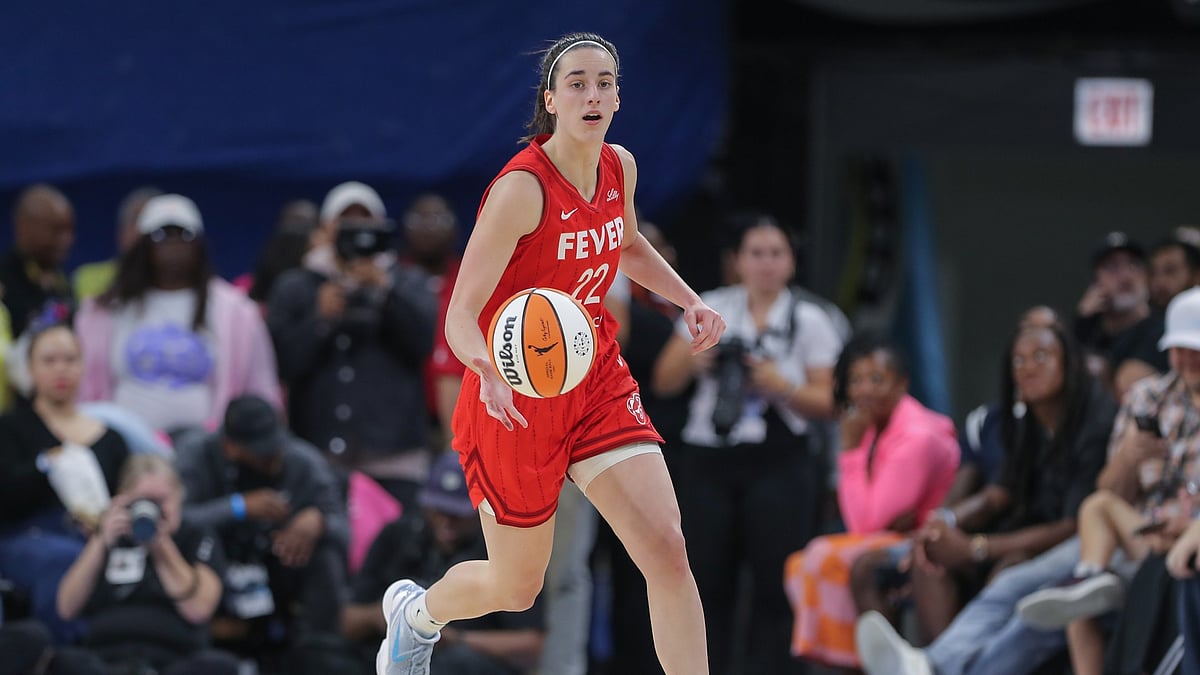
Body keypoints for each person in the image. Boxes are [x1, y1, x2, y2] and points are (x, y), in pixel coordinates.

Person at [375, 33, 725, 675]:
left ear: (618, 97)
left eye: (604, 83)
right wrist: (485, 369)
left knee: (668, 554)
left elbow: (624, 241)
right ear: (551, 100)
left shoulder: (620, 165)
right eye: (577, 83)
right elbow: (457, 315)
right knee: (516, 588)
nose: (592, 94)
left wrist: (688, 301)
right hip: (513, 393)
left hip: (594, 379)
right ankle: (417, 617)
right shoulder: (522, 191)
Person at [855, 318, 1119, 675]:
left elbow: (1073, 524)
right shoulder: (1024, 423)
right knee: (914, 558)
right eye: (1019, 360)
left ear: (1068, 363)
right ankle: (928, 662)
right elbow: (998, 494)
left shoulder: (1095, 422)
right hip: (1012, 536)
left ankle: (932, 664)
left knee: (1016, 579)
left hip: (1075, 546)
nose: (1028, 369)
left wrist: (977, 547)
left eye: (1041, 356)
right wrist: (945, 522)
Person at [653, 213, 842, 674]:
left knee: (775, 586)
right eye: (755, 254)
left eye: (776, 254)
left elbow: (833, 401)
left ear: (792, 262)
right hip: (709, 458)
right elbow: (662, 381)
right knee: (704, 582)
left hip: (779, 462)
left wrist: (781, 384)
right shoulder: (710, 306)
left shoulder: (812, 319)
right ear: (736, 261)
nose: (765, 264)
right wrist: (701, 361)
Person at [785, 335, 959, 669]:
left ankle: (855, 662)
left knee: (823, 557)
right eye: (856, 380)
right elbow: (870, 520)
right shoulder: (870, 424)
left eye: (876, 379)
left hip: (924, 541)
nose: (864, 390)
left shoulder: (917, 436)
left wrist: (849, 450)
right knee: (800, 562)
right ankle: (860, 660)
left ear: (902, 383)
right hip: (891, 536)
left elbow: (863, 525)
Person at [266, 191, 437, 507]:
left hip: (394, 454)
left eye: (366, 221)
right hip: (319, 453)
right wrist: (319, 320)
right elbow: (283, 364)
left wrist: (385, 293)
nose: (357, 231)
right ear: (327, 228)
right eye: (346, 222)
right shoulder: (297, 285)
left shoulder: (408, 281)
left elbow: (422, 345)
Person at [74, 193, 283, 436]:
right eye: (161, 235)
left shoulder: (236, 313)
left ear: (200, 244)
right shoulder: (105, 311)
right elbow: (81, 388)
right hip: (123, 444)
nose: (173, 245)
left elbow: (262, 389)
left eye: (184, 235)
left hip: (209, 452)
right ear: (143, 245)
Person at [175, 395, 349, 664]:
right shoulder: (197, 453)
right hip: (219, 571)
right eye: (263, 451)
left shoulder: (301, 459)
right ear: (231, 447)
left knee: (326, 555)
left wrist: (318, 520)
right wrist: (239, 507)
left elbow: (344, 529)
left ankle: (318, 656)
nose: (275, 456)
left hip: (279, 568)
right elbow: (178, 521)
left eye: (276, 444)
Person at [345, 452, 545, 674]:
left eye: (456, 513)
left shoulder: (498, 546)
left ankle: (419, 632)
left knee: (457, 661)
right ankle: (409, 627)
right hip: (388, 643)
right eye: (439, 509)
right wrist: (382, 618)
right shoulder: (399, 534)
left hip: (468, 658)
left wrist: (456, 639)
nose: (446, 521)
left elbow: (533, 644)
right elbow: (346, 618)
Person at [0, 322, 130, 644]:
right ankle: (60, 653)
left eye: (70, 359)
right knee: (64, 558)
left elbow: (127, 493)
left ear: (84, 365)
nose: (61, 369)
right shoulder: (10, 428)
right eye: (49, 360)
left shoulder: (111, 437)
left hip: (101, 536)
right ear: (30, 368)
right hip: (27, 537)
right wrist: (49, 466)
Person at [55, 454, 238, 675]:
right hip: (106, 659)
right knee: (63, 660)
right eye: (143, 500)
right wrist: (100, 541)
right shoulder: (110, 537)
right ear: (123, 499)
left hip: (173, 659)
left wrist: (161, 547)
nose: (152, 510)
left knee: (219, 665)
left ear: (179, 496)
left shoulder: (195, 535)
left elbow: (198, 609)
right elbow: (66, 608)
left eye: (161, 501)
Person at [0, 183, 75, 337]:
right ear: (23, 227)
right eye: (55, 230)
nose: (66, 240)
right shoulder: (4, 279)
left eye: (69, 230)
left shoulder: (62, 282)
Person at [72, 186, 162, 301]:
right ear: (122, 231)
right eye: (136, 221)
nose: (141, 231)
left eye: (153, 226)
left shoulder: (179, 284)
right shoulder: (86, 278)